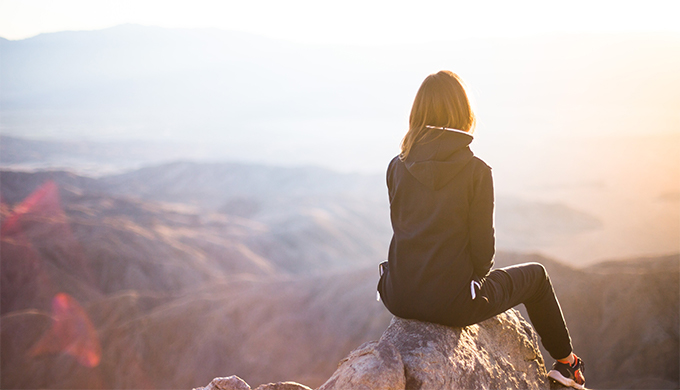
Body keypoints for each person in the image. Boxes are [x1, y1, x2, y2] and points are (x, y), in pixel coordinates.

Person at [377, 70, 586, 389]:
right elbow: (483, 255)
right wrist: (469, 285)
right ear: (463, 112)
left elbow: (404, 229)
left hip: (397, 295)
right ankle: (566, 364)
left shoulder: (396, 164)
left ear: (417, 113)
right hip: (454, 304)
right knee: (537, 277)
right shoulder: (476, 171)